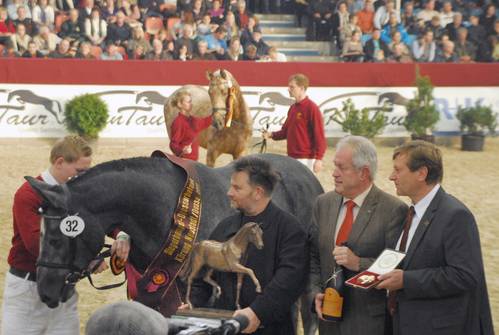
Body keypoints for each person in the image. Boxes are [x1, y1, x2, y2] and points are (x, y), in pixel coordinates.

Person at [1, 135, 131, 335]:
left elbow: (102, 219)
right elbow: (37, 245)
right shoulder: (28, 194)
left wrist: (120, 235)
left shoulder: (79, 193)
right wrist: (87, 261)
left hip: (65, 290)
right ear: (60, 162)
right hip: (28, 291)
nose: (83, 177)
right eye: (79, 171)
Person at [377, 140, 494, 335]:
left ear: (421, 173)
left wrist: (407, 280)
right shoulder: (409, 212)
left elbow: (465, 275)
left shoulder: (455, 215)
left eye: (398, 170)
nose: (391, 177)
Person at [187, 156, 309, 334]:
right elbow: (202, 275)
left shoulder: (290, 230)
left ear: (258, 192)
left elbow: (289, 281)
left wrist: (257, 312)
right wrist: (191, 303)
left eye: (237, 188)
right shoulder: (225, 227)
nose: (229, 192)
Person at [309, 135, 407, 335]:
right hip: (328, 322)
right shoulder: (323, 204)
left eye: (342, 168)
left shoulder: (393, 210)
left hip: (369, 324)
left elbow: (395, 268)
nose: (334, 174)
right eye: (335, 166)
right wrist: (315, 292)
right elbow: (312, 258)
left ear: (364, 173)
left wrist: (358, 263)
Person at [263, 73, 326, 173]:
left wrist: (319, 159)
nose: (288, 89)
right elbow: (285, 132)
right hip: (292, 157)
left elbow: (319, 135)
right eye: (289, 87)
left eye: (292, 87)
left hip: (306, 159)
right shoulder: (293, 108)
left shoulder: (312, 108)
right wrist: (270, 134)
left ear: (301, 88)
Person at [169, 91, 212, 161]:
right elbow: (173, 144)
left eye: (191, 101)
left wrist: (218, 112)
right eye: (188, 102)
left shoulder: (193, 119)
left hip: (193, 162)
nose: (191, 104)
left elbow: (205, 122)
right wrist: (182, 150)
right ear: (180, 104)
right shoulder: (178, 122)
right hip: (184, 162)